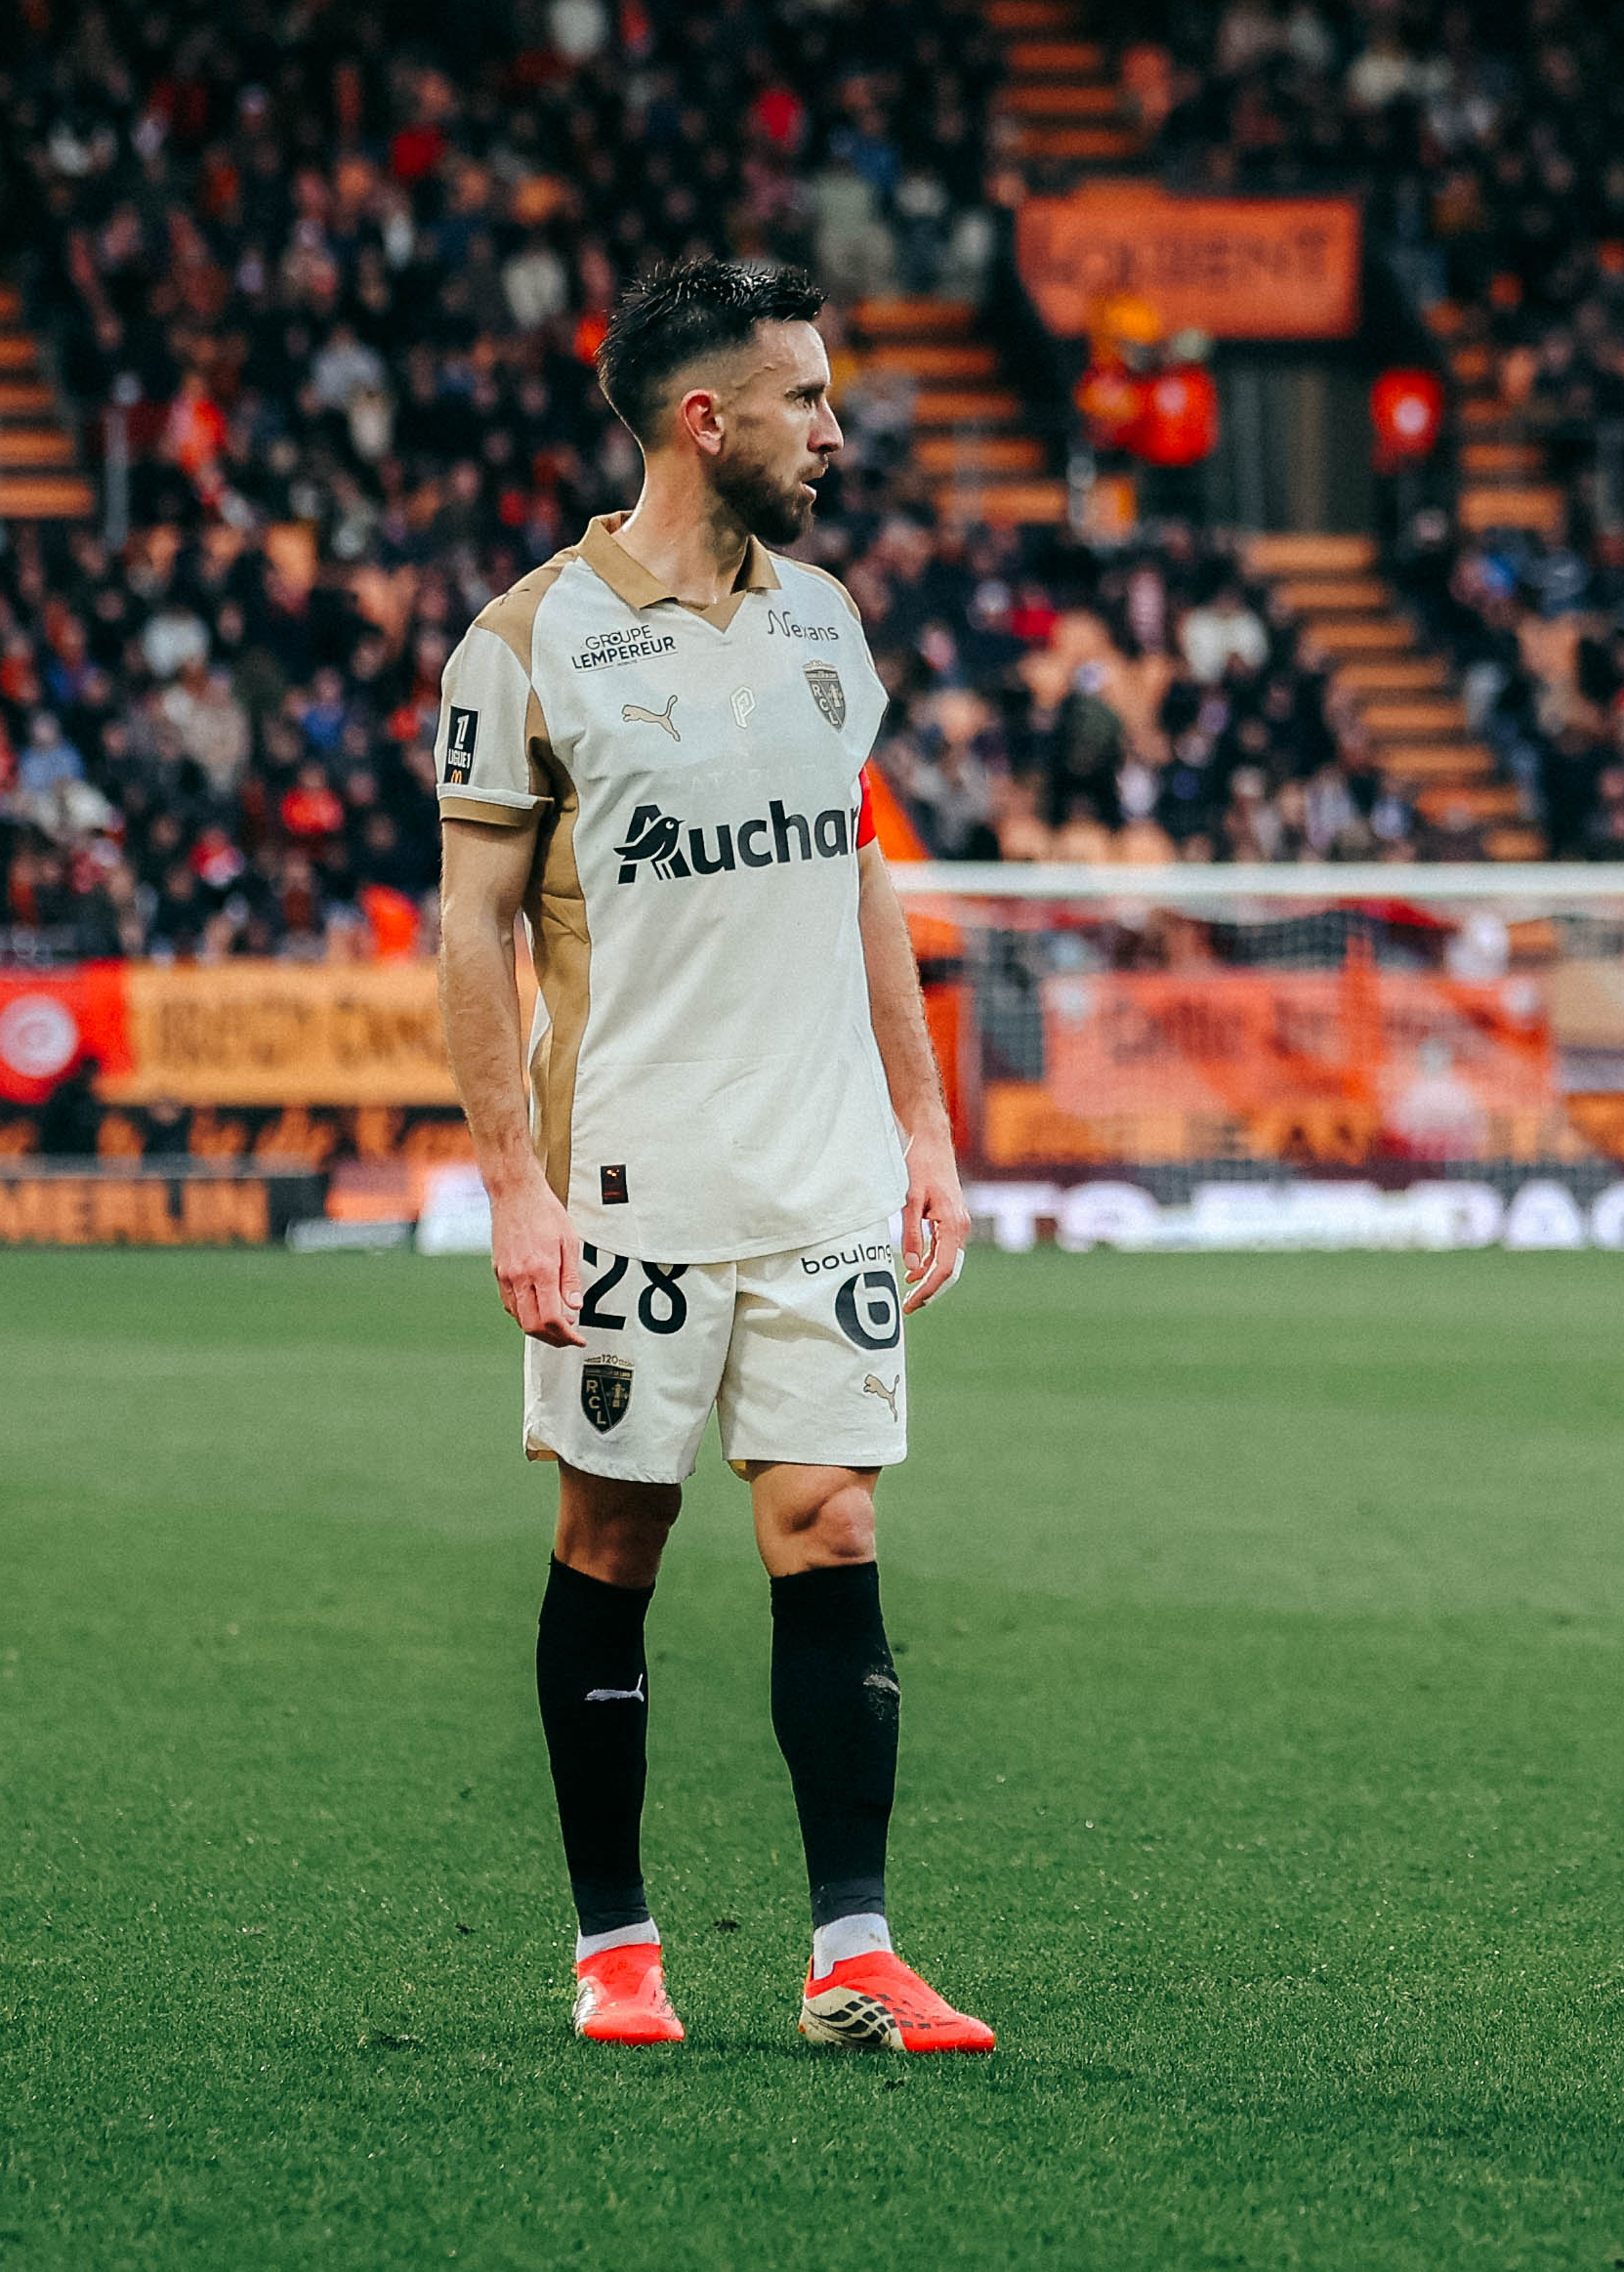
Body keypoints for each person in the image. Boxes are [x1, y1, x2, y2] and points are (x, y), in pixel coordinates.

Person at [433, 253, 983, 2058]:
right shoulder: (525, 642)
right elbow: (472, 932)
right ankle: (616, 1950)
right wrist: (511, 1181)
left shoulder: (828, 625)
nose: (833, 430)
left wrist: (923, 1124)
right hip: (632, 1179)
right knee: (618, 1531)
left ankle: (852, 1953)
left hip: (821, 1168)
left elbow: (862, 877)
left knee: (831, 1520)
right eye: (805, 398)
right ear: (706, 416)